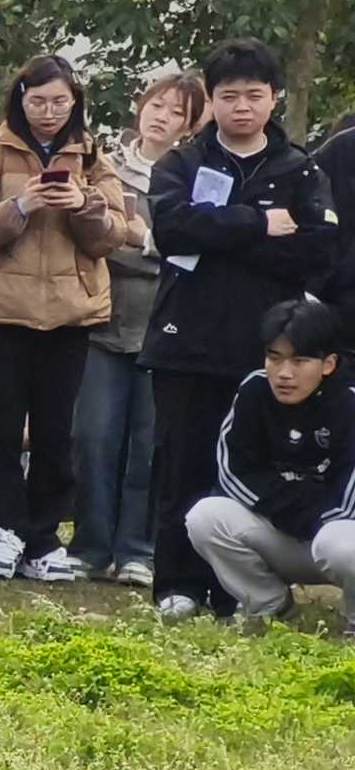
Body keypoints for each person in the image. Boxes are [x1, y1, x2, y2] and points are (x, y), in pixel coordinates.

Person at [143, 42, 337, 619]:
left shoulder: (300, 168)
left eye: (254, 95)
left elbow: (316, 248)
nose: (242, 106)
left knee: (247, 467)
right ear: (212, 99)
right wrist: (257, 223)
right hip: (186, 342)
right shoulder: (181, 162)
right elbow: (173, 230)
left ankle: (235, 590)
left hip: (265, 350)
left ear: (274, 99)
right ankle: (175, 584)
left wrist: (220, 235)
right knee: (182, 465)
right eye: (229, 95)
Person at [0, 53, 136, 584]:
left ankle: (45, 535)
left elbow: (114, 238)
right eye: (37, 100)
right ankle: (5, 529)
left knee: (57, 430)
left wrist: (83, 203)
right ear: (20, 99)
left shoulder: (95, 159)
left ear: (75, 102)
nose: (49, 111)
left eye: (60, 101)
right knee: (2, 427)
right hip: (0, 313)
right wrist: (21, 206)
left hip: (70, 315)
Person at [72, 67, 195, 585]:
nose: (162, 118)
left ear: (191, 125)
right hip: (102, 319)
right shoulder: (103, 167)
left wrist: (141, 238)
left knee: (149, 445)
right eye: (156, 105)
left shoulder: (194, 174)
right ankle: (91, 546)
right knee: (93, 438)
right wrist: (148, 241)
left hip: (164, 327)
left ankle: (138, 550)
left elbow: (191, 251)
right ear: (139, 106)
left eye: (177, 113)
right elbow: (89, 237)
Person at [181, 298, 355, 627]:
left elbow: (347, 498)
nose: (284, 373)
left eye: (300, 360)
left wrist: (302, 512)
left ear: (328, 364)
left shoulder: (348, 406)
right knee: (205, 517)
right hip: (285, 532)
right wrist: (294, 508)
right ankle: (273, 610)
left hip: (335, 536)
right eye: (275, 358)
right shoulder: (253, 391)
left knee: (342, 544)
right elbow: (234, 474)